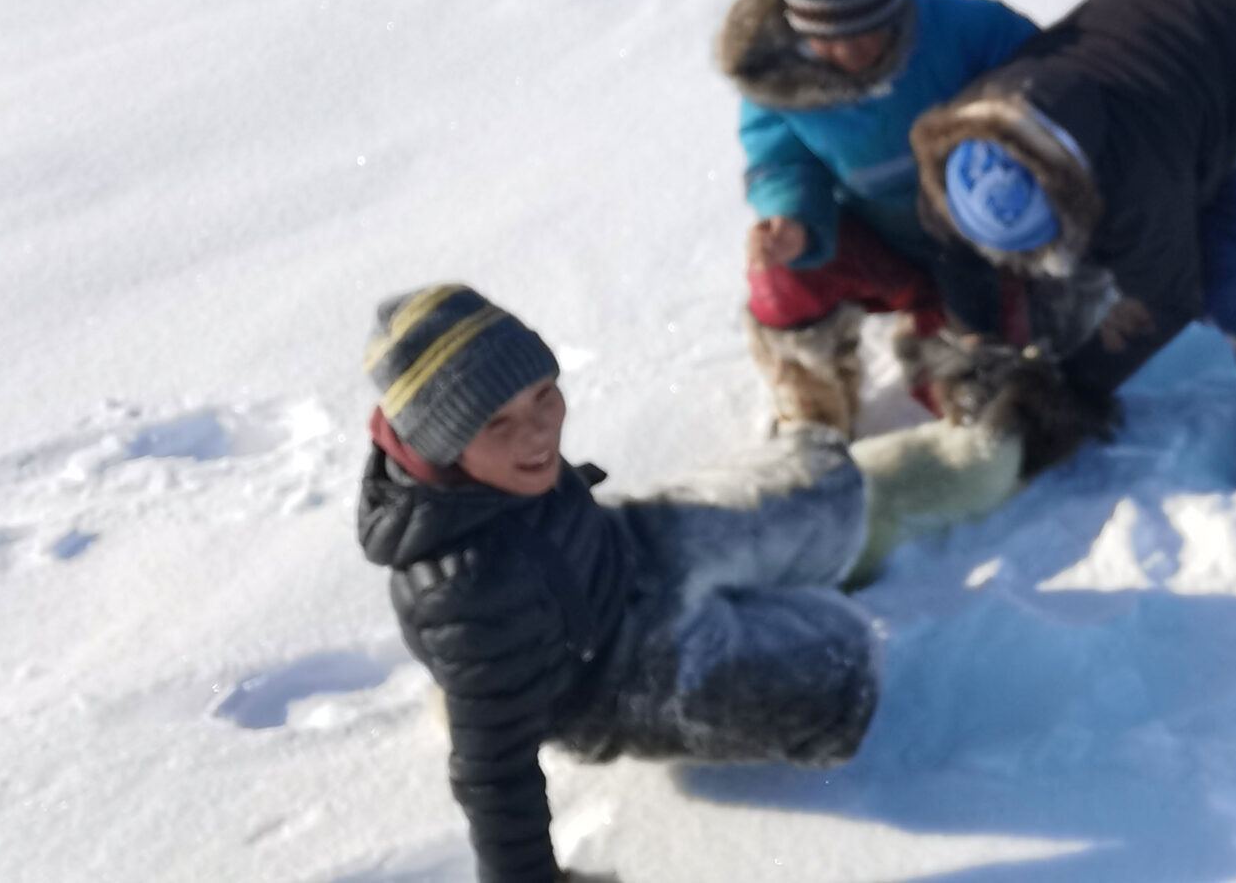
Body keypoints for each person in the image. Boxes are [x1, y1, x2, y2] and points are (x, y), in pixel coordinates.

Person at [358, 284, 881, 883]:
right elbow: (493, 773)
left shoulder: (493, 463)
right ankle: (473, 697)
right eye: (497, 422)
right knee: (847, 666)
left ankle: (823, 552)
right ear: (441, 446)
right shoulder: (465, 597)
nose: (537, 435)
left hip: (630, 548)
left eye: (543, 396)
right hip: (612, 677)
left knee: (834, 487)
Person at [906, 0, 1236, 487]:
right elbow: (952, 250)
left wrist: (1072, 390)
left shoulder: (1133, 185)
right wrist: (978, 342)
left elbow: (1168, 296)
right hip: (1167, 41)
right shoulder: (959, 160)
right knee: (1081, 273)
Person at [716, 0, 1038, 433]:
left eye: (869, 33)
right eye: (830, 39)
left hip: (981, 246)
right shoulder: (779, 77)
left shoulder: (969, 30)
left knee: (980, 401)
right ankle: (816, 422)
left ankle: (968, 369)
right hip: (880, 241)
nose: (851, 53)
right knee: (779, 280)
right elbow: (780, 155)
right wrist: (791, 215)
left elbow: (1048, 93)